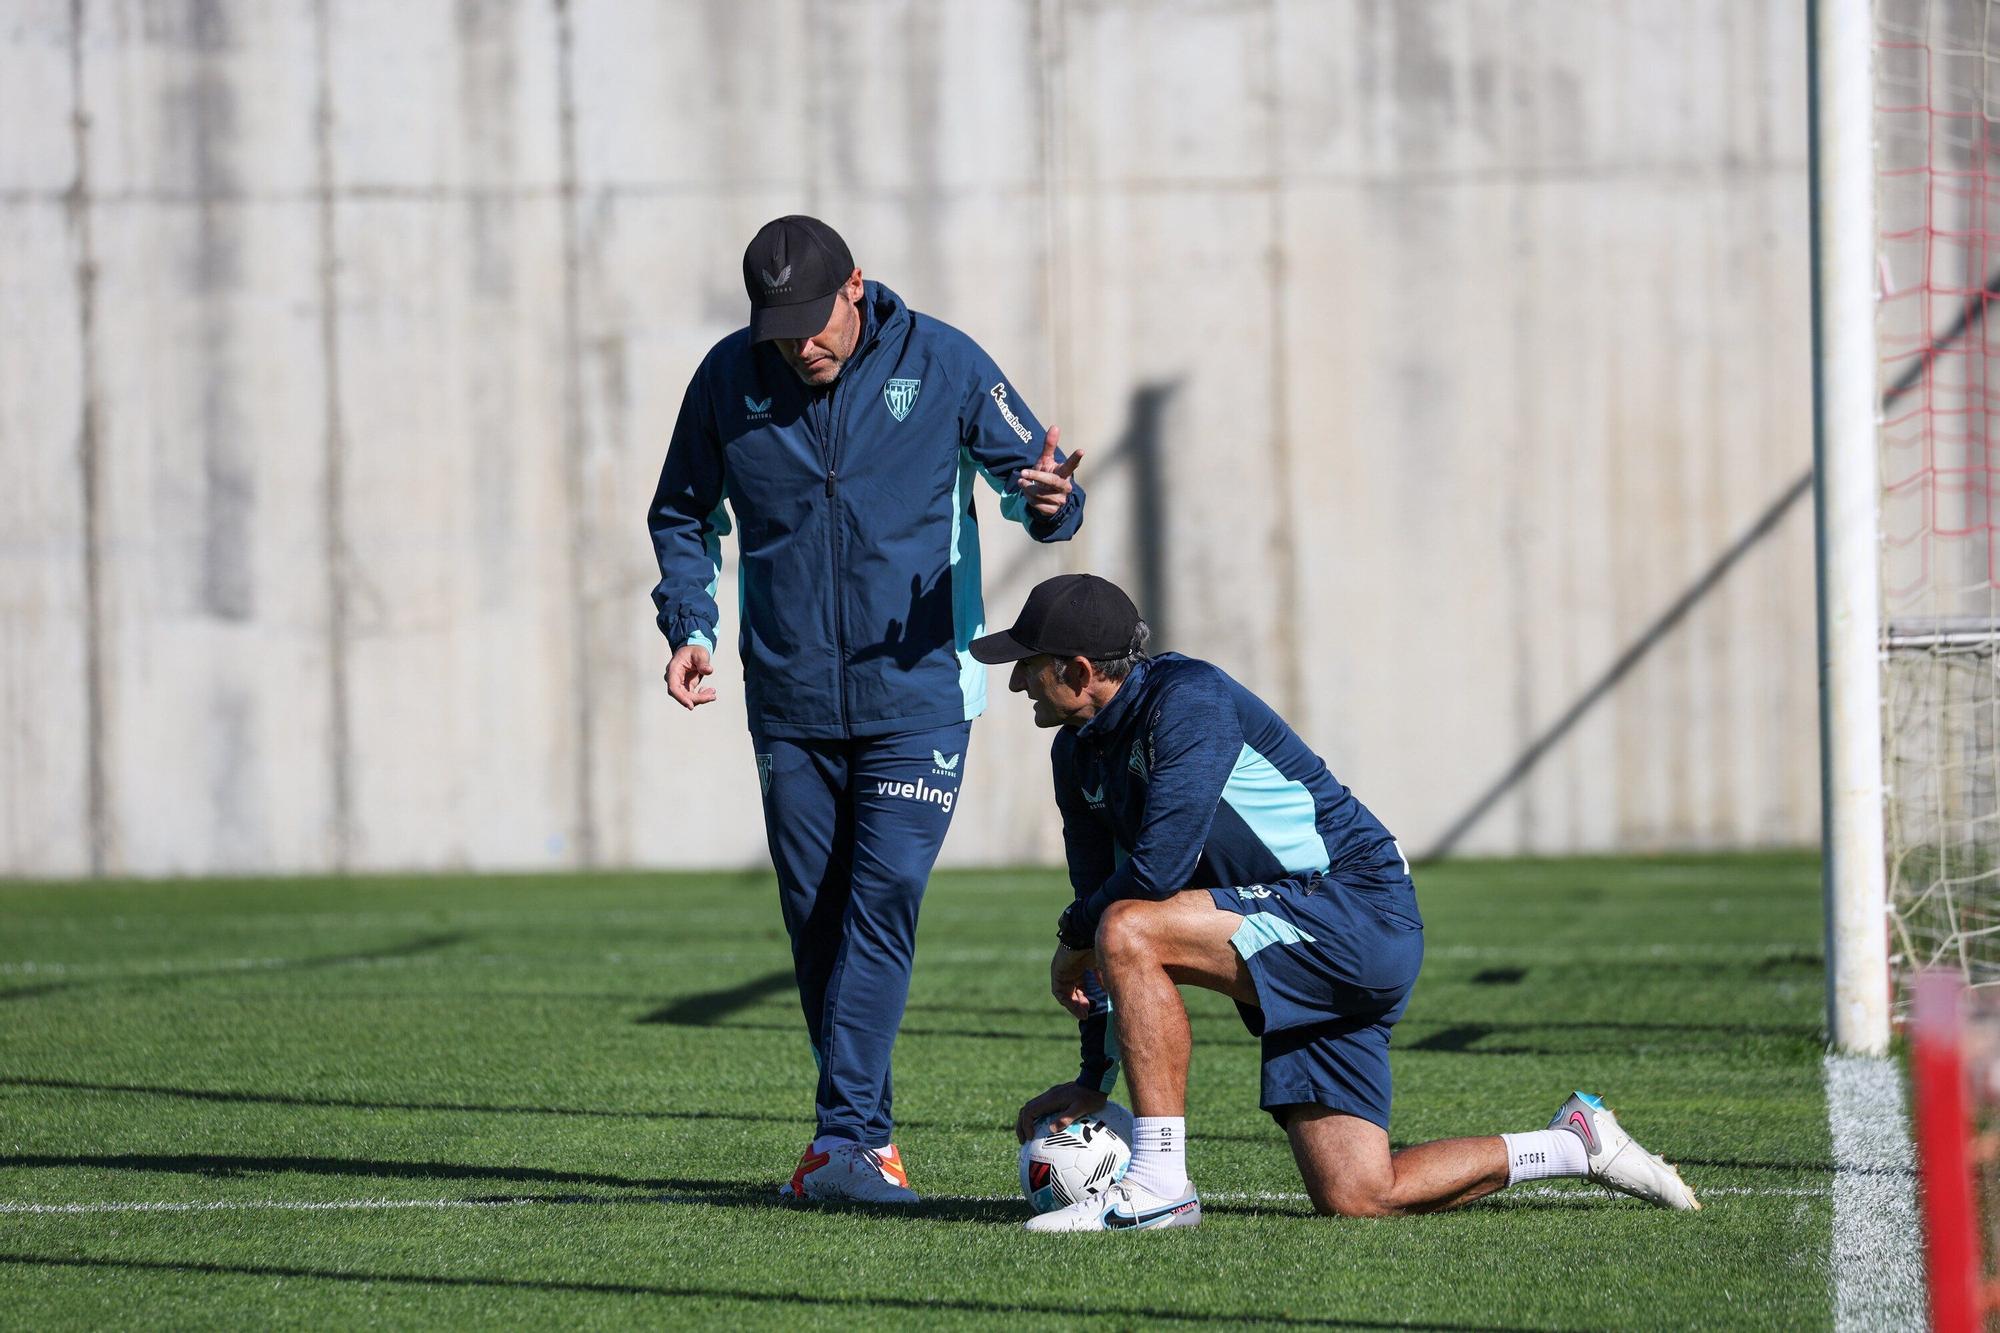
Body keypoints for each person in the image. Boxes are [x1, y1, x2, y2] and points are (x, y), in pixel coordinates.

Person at [972, 574, 1700, 1231]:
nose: (1017, 685)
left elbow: (1149, 879)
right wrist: (1092, 1076)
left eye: (1027, 666)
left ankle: (1161, 1184)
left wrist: (1078, 934)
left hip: (1357, 908)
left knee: (1129, 925)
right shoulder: (1076, 754)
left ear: (1078, 670)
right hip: (1301, 928)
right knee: (1358, 1191)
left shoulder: (1188, 699)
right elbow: (1095, 906)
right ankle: (1575, 1142)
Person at [648, 216, 1085, 1203]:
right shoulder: (728, 378)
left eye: (814, 322)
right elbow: (682, 510)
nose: (800, 344)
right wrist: (690, 625)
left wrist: (1051, 503)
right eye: (780, 329)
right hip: (788, 697)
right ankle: (866, 1141)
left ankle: (844, 1136)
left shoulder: (942, 362)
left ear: (856, 288)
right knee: (817, 920)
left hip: (918, 692)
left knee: (880, 900)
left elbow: (1035, 484)